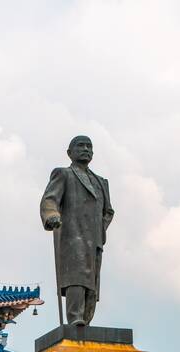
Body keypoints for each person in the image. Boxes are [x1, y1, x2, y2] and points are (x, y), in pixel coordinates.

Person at [40, 135, 114, 328]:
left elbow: (108, 211)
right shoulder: (64, 174)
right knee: (76, 277)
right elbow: (50, 199)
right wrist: (52, 215)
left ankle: (86, 320)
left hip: (95, 238)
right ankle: (75, 318)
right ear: (69, 152)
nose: (86, 149)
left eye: (89, 146)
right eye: (80, 146)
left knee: (92, 282)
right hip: (73, 235)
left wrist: (100, 228)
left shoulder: (101, 182)